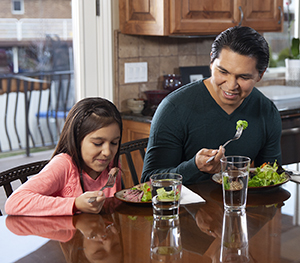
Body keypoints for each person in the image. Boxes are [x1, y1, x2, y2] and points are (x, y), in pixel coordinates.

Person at [141, 26, 282, 185]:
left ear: (260, 75)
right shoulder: (173, 108)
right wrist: (194, 166)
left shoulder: (267, 111)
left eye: (243, 77)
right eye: (223, 72)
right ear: (211, 61)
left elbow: (271, 177)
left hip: (241, 206)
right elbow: (149, 181)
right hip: (183, 209)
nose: (231, 85)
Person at [5, 97, 123, 216]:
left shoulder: (111, 164)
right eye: (97, 143)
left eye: (114, 143)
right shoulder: (64, 165)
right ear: (77, 140)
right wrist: (75, 204)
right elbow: (14, 202)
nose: (107, 152)